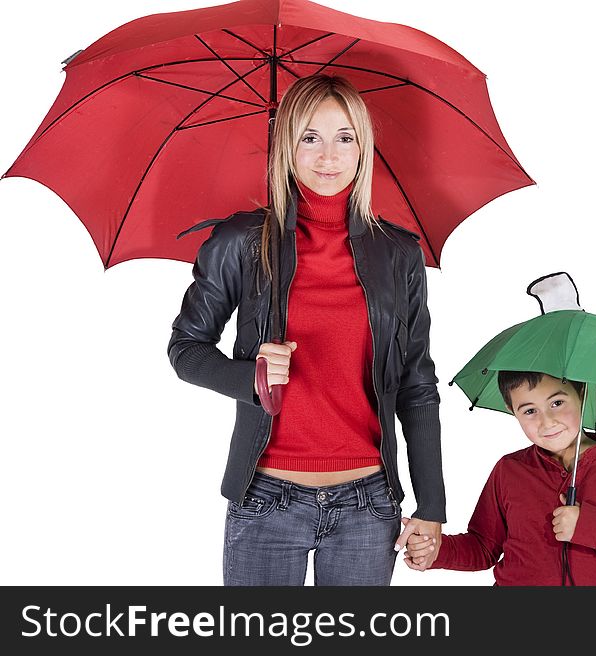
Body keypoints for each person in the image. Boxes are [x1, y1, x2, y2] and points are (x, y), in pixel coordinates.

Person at [168, 74, 445, 586]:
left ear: (364, 146)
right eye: (309, 137)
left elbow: (416, 384)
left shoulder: (399, 253)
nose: (328, 156)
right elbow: (186, 348)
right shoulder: (241, 241)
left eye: (345, 137)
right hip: (266, 497)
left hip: (369, 502)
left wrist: (432, 504)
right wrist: (250, 375)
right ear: (285, 145)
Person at [403, 372, 596, 586]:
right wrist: (437, 551)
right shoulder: (509, 470)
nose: (547, 421)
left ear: (582, 394)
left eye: (557, 403)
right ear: (512, 410)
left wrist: (591, 527)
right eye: (529, 411)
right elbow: (484, 546)